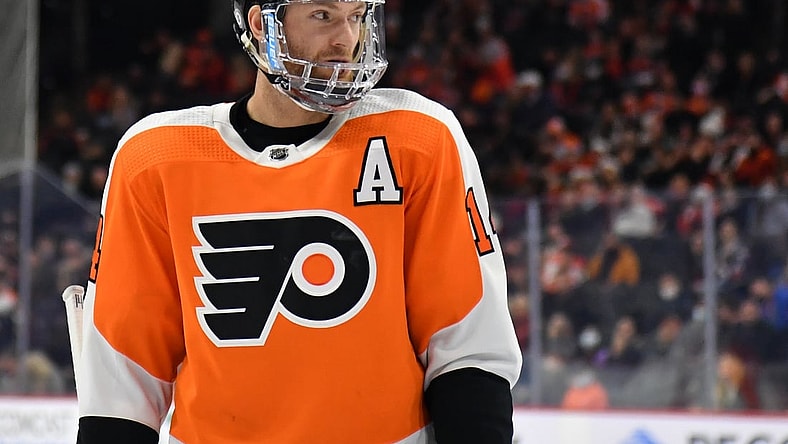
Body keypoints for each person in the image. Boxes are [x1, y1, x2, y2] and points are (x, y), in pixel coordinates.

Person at [73, 1, 522, 443]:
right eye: (323, 16)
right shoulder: (154, 157)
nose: (346, 39)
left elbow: (466, 347)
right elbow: (122, 379)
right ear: (263, 26)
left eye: (357, 16)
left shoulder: (420, 137)